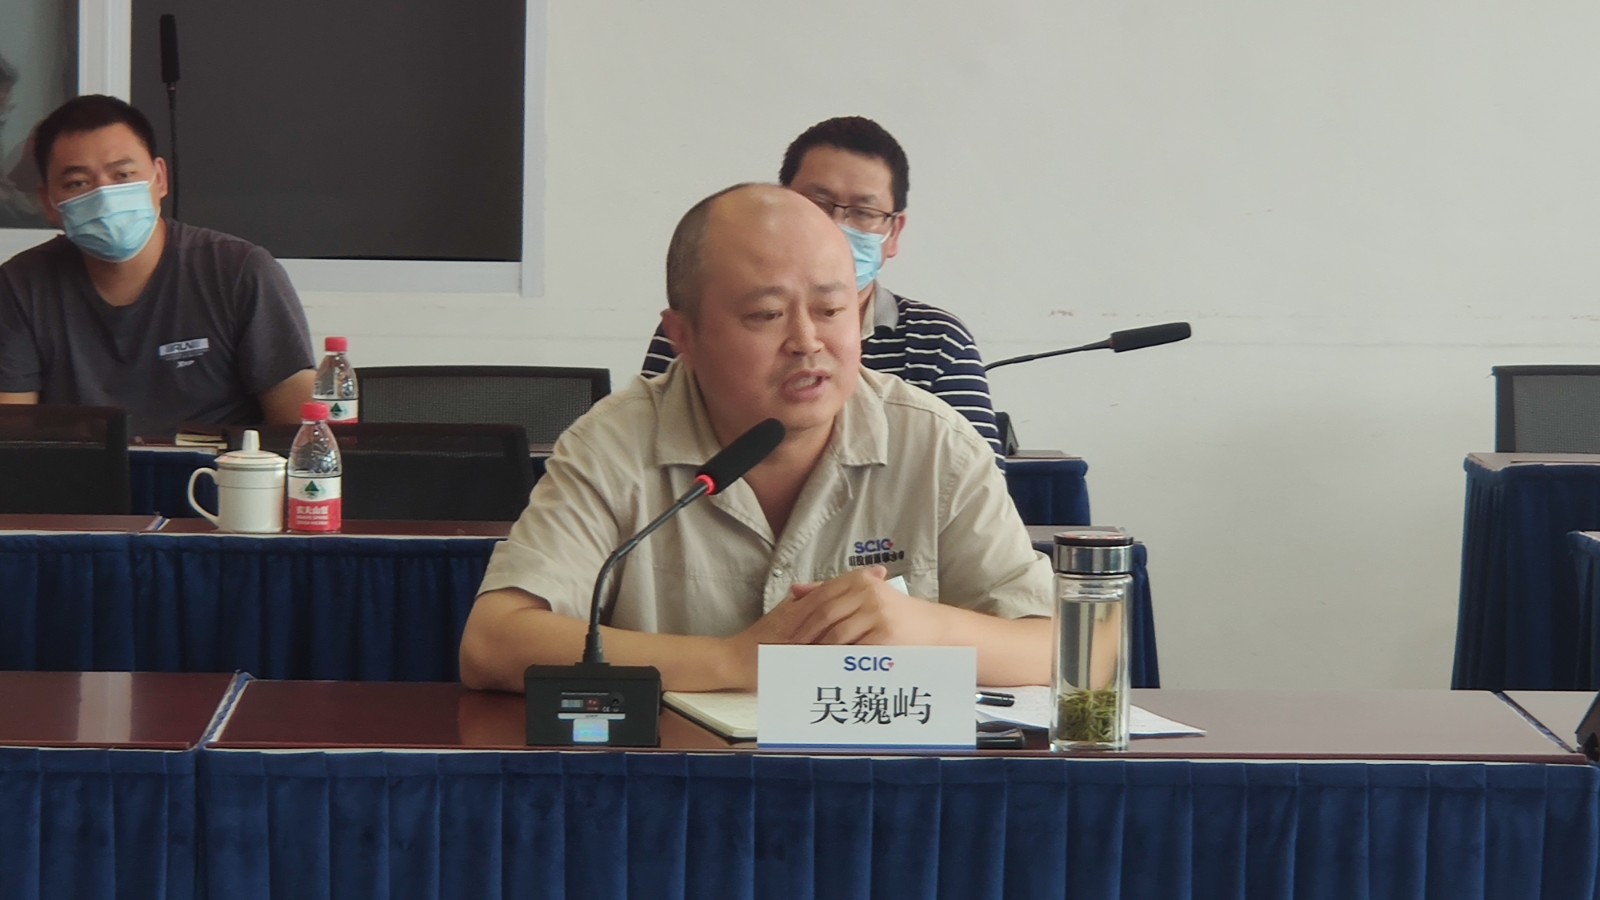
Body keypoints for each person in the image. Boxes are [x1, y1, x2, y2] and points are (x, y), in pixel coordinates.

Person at [460, 183, 1051, 694]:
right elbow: (493, 643)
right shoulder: (614, 444)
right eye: (767, 315)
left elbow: (1074, 649)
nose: (807, 341)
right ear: (682, 336)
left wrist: (930, 628)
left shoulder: (934, 443)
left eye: (832, 309)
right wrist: (734, 661)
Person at [640, 116, 1005, 463]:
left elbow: (972, 481)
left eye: (863, 212)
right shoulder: (705, 322)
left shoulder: (939, 342)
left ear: (894, 233)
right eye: (817, 205)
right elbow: (652, 452)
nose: (833, 227)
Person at [0, 94, 315, 437]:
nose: (105, 196)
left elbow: (304, 434)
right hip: (83, 472)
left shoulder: (240, 272)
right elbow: (13, 441)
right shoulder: (20, 287)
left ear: (160, 179)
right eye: (78, 183)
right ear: (49, 202)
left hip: (215, 470)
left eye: (123, 175)